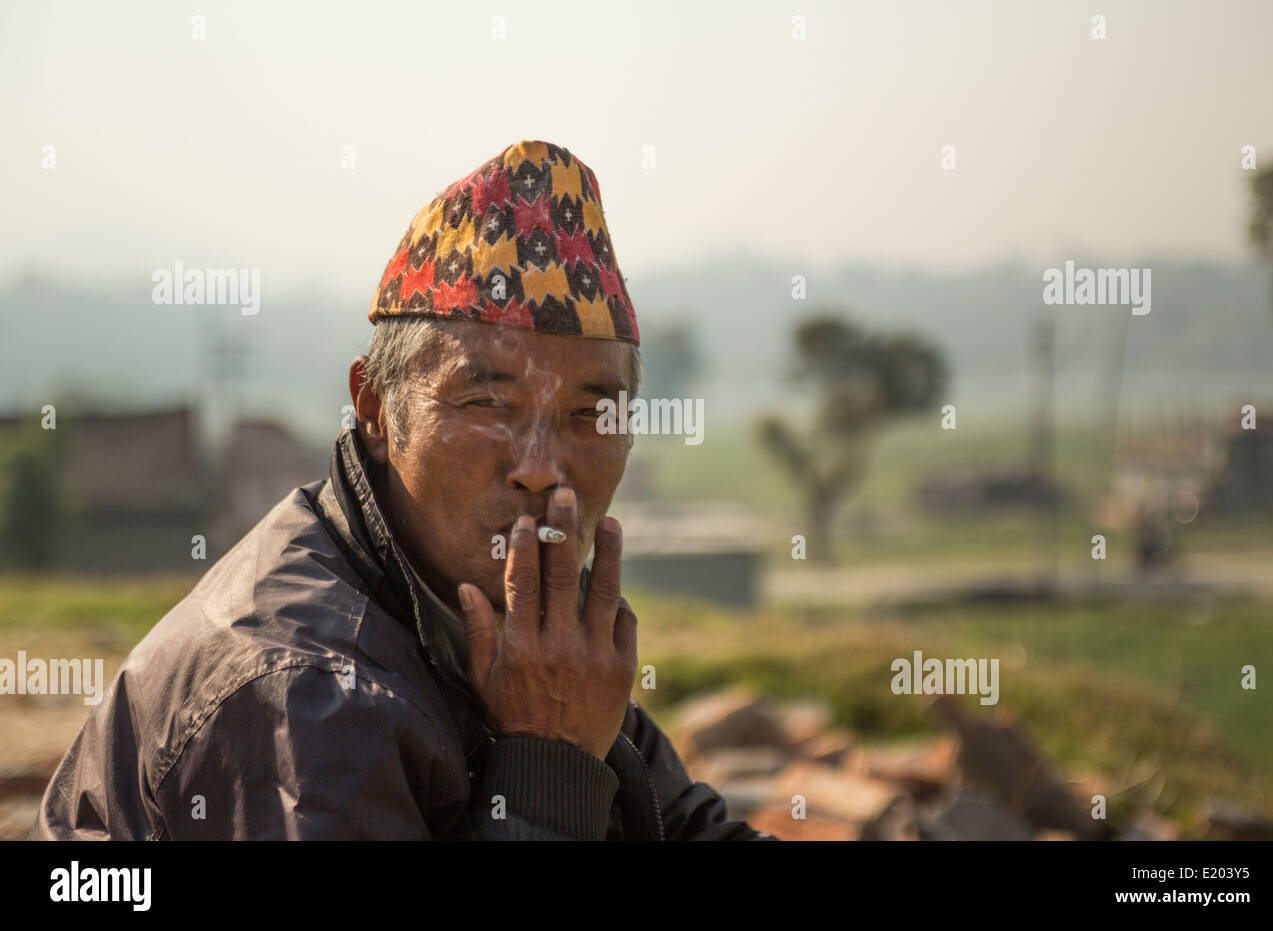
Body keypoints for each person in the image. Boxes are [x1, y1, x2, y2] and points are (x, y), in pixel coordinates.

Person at [31, 140, 772, 841]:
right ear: (377, 409)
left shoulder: (521, 624)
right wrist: (550, 758)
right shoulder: (302, 691)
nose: (543, 467)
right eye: (488, 403)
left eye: (588, 413)